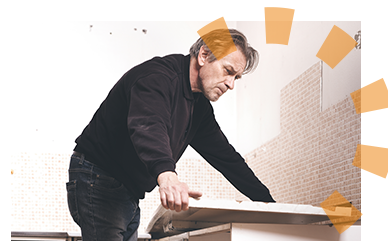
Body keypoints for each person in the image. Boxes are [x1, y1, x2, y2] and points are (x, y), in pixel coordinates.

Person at [67, 28, 275, 241]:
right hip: (98, 178)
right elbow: (148, 125)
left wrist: (271, 206)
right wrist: (168, 176)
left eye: (236, 78)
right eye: (228, 71)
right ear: (204, 55)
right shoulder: (157, 78)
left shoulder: (198, 106)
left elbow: (226, 158)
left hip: (126, 191)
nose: (231, 84)